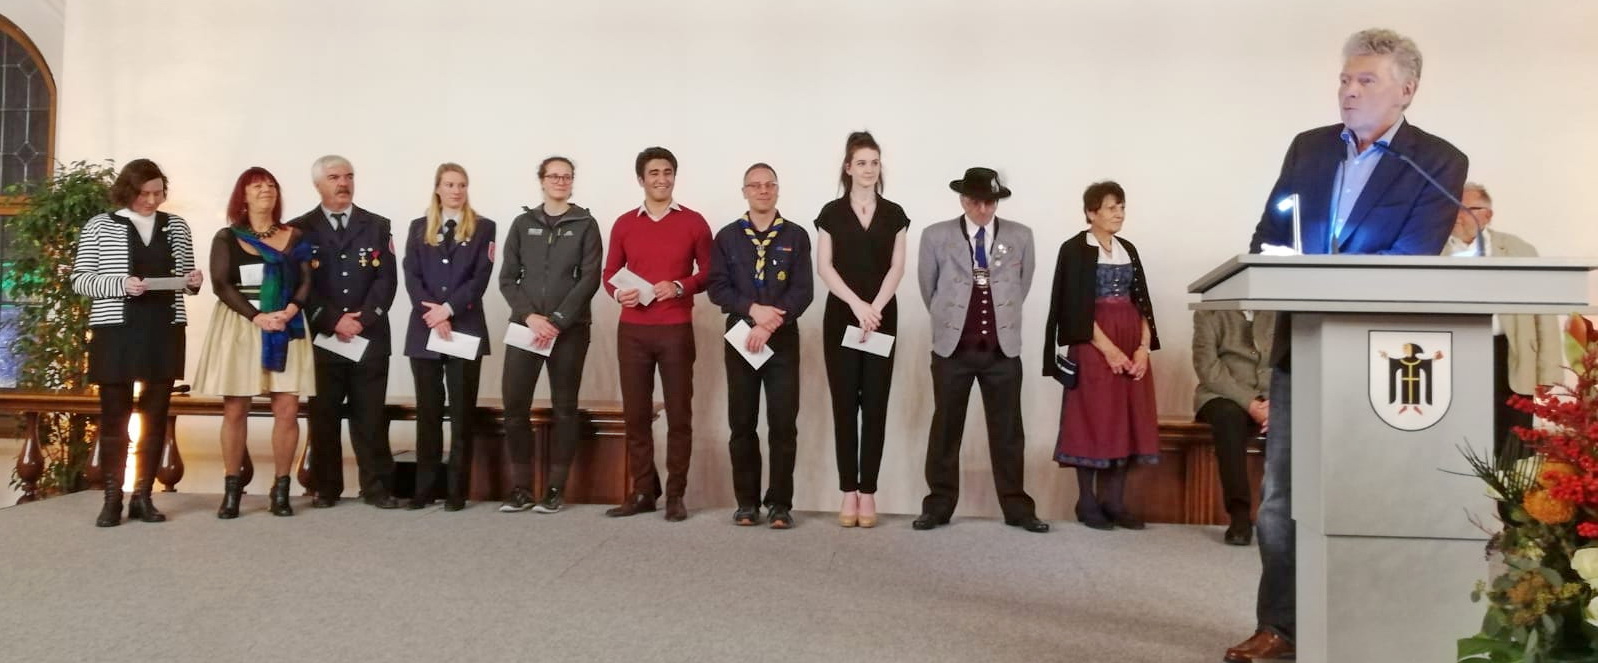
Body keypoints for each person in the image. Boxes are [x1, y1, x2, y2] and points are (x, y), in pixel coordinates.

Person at [1228, 28, 1469, 663]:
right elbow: (1267, 235)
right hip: (1300, 347)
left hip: (1383, 359)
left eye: (1366, 81)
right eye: (1344, 79)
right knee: (1280, 498)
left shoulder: (1437, 161)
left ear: (1406, 90)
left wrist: (1328, 275)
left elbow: (1413, 259)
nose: (1349, 91)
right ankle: (1280, 627)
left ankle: (1368, 627)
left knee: (1371, 494)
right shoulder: (1308, 148)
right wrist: (1285, 264)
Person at [913, 167, 1046, 533]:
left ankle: (1017, 507)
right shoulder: (935, 236)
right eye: (976, 202)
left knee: (1008, 432)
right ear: (963, 200)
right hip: (952, 350)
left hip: (1002, 350)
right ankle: (938, 505)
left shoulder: (1021, 236)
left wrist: (1003, 323)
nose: (983, 209)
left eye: (990, 202)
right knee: (946, 429)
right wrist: (950, 322)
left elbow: (1021, 286)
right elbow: (929, 289)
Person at [70, 158, 202, 527]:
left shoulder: (177, 226)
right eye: (145, 193)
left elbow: (185, 280)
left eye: (158, 193)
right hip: (116, 331)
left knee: (156, 415)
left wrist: (193, 282)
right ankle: (113, 498)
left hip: (164, 329)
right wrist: (120, 284)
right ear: (128, 191)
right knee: (115, 417)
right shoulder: (99, 225)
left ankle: (144, 496)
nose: (152, 200)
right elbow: (80, 279)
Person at [193, 166, 316, 518]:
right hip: (242, 325)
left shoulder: (295, 235)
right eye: (257, 185)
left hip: (286, 325)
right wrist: (257, 316)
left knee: (287, 408)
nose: (266, 190)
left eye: (271, 185)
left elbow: (306, 280)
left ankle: (281, 489)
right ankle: (232, 489)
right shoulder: (227, 237)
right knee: (235, 409)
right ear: (242, 196)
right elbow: (221, 283)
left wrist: (289, 310)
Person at [601, 146, 713, 522]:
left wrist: (680, 286)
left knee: (679, 414)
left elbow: (710, 272)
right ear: (641, 180)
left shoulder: (694, 222)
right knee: (636, 415)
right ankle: (643, 491)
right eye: (654, 173)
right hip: (632, 331)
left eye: (667, 172)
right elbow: (609, 273)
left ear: (674, 177)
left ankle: (676, 495)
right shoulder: (624, 224)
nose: (661, 179)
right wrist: (618, 293)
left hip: (675, 329)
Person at [1043, 180, 1158, 531]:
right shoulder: (1074, 249)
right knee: (1092, 417)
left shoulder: (1128, 249)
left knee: (1125, 416)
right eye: (1111, 207)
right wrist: (1109, 350)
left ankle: (1114, 501)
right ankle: (1087, 501)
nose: (1119, 213)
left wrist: (1142, 349)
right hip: (1091, 341)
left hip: (1130, 337)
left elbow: (1142, 302)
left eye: (1121, 207)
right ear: (1091, 212)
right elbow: (1073, 306)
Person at [290, 155, 402, 510]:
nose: (343, 183)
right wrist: (332, 320)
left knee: (370, 417)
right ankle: (326, 487)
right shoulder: (299, 229)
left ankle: (376, 488)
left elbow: (387, 280)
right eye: (334, 177)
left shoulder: (377, 225)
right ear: (317, 184)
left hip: (368, 337)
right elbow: (299, 284)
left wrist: (363, 318)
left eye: (348, 176)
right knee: (323, 416)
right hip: (324, 338)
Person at [706, 163, 813, 529]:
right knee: (742, 423)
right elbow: (717, 287)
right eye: (755, 185)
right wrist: (753, 311)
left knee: (783, 424)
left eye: (770, 185)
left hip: (781, 339)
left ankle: (780, 504)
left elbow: (803, 290)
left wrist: (770, 324)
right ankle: (746, 503)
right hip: (740, 338)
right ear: (745, 192)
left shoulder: (796, 235)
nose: (763, 190)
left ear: (777, 190)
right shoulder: (727, 237)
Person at [814, 130, 910, 528]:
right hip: (842, 316)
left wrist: (875, 310)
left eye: (874, 162)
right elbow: (825, 267)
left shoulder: (895, 214)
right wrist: (857, 306)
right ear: (848, 167)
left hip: (882, 318)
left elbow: (897, 267)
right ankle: (847, 491)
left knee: (874, 405)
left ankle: (868, 491)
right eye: (861, 163)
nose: (869, 169)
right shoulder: (831, 213)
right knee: (843, 405)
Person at [497, 156, 602, 514]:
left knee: (565, 408)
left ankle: (556, 489)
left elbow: (590, 278)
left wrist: (557, 321)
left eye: (566, 176)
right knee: (514, 407)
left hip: (569, 330)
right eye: (554, 176)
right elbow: (508, 278)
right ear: (541, 180)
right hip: (526, 326)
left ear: (573, 182)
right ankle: (521, 489)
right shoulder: (522, 224)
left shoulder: (586, 224)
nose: (560, 181)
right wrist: (530, 317)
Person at [401, 163, 496, 511]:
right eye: (450, 184)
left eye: (462, 185)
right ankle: (424, 489)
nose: (456, 190)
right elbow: (411, 275)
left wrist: (448, 310)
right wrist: (433, 313)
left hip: (464, 328)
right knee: (428, 412)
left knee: (461, 412)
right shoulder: (418, 227)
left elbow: (480, 277)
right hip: (425, 330)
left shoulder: (484, 227)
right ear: (438, 188)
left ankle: (457, 490)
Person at [1443, 182, 1562, 455]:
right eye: (1452, 208)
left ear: (1487, 215)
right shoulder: (1431, 248)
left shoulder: (1519, 250)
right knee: (1460, 435)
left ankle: (1509, 482)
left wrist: (1549, 371)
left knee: (1513, 439)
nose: (1457, 216)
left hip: (1510, 351)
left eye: (1466, 209)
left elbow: (1544, 313)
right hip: (1454, 351)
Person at [1191, 308, 1274, 545]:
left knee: (1294, 420)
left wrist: (1278, 403)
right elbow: (1207, 367)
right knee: (1229, 419)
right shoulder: (1209, 313)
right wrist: (1250, 403)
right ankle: (1239, 515)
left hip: (1271, 397)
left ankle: (1283, 516)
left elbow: (1292, 362)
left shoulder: (1279, 310)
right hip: (1222, 395)